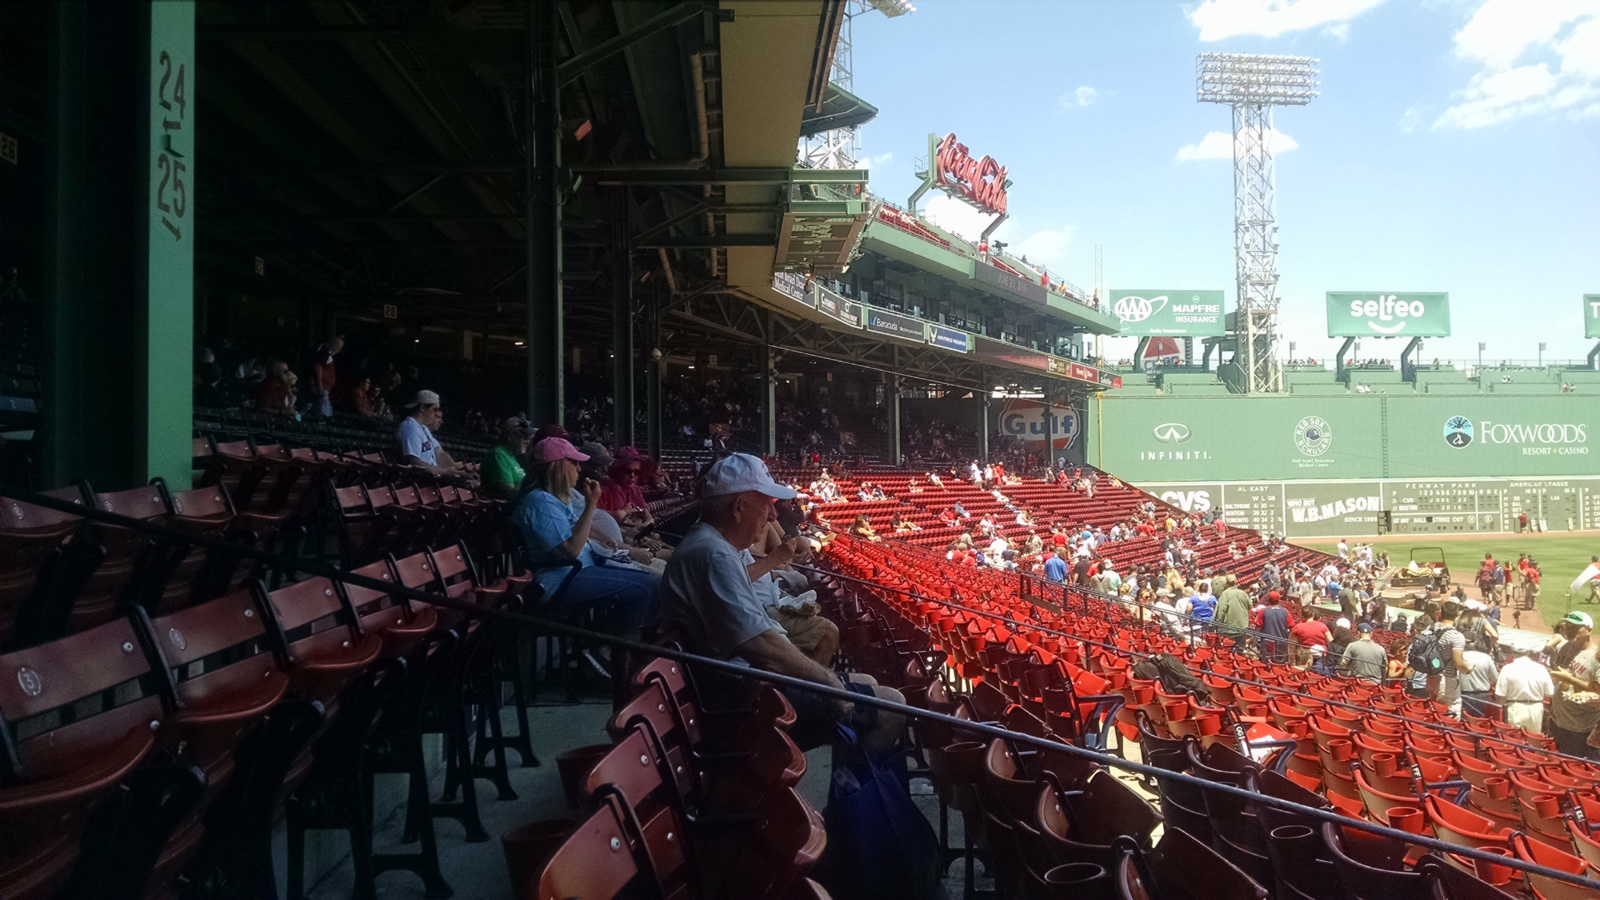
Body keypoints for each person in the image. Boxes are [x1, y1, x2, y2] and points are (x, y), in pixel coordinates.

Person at [657, 453, 903, 753]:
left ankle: (849, 792)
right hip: (738, 704)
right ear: (739, 508)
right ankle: (855, 795)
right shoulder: (713, 555)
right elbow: (760, 646)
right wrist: (827, 682)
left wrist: (826, 680)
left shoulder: (710, 545)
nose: (773, 517)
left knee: (864, 681)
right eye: (766, 506)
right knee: (893, 705)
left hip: (733, 687)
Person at [510, 437, 657, 641]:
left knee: (651, 581)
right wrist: (590, 504)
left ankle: (604, 642)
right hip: (562, 580)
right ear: (557, 466)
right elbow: (570, 551)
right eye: (575, 463)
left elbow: (578, 535)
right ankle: (621, 652)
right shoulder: (540, 502)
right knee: (645, 589)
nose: (579, 469)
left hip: (581, 569)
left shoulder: (554, 497)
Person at [1551, 611, 1599, 758]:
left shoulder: (1595, 656)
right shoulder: (1563, 648)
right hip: (1556, 721)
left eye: (1576, 627)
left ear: (1589, 630)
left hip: (1580, 727)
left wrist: (1570, 680)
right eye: (1568, 626)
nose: (1569, 630)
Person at [395, 390, 470, 482]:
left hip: (432, 478)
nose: (436, 414)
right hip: (419, 480)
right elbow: (414, 462)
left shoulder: (423, 428)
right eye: (434, 410)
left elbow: (439, 453)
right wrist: (444, 472)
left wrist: (458, 470)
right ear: (422, 407)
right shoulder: (410, 428)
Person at [1423, 601, 1470, 718]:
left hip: (1431, 677)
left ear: (1441, 613)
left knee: (1434, 712)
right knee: (1451, 714)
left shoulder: (1430, 629)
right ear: (1458, 615)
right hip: (1447, 681)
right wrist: (1468, 669)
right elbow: (1459, 663)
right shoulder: (1456, 636)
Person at [1495, 649, 1555, 734]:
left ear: (1512, 652)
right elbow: (1550, 693)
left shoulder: (1507, 668)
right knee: (1533, 741)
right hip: (1536, 709)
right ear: (1528, 652)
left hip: (1515, 708)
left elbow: (1500, 696)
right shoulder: (1541, 668)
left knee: (1514, 741)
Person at [480, 416, 533, 500]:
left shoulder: (511, 457)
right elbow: (506, 491)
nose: (527, 441)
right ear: (511, 437)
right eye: (524, 437)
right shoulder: (498, 455)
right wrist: (533, 496)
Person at [1458, 647, 1500, 719]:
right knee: (1483, 723)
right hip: (1483, 697)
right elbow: (1495, 678)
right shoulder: (1486, 658)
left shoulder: (1458, 657)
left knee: (1466, 723)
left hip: (1464, 696)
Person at [310, 335, 343, 417]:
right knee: (322, 413)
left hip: (325, 390)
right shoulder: (324, 351)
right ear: (333, 344)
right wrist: (320, 386)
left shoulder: (328, 354)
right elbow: (318, 367)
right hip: (320, 389)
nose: (339, 350)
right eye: (338, 347)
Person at [1258, 591, 1292, 663]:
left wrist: (1253, 641)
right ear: (1278, 600)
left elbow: (1258, 627)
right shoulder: (1285, 611)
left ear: (1269, 600)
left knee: (1266, 663)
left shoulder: (1263, 611)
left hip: (1267, 642)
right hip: (1281, 642)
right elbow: (1292, 627)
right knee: (1280, 664)